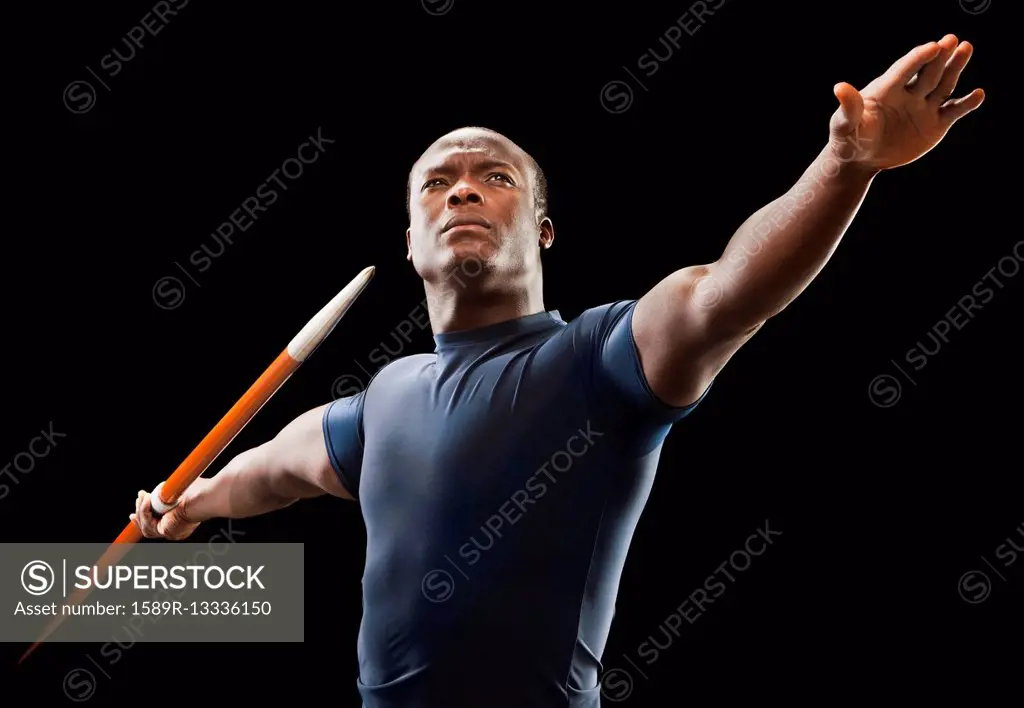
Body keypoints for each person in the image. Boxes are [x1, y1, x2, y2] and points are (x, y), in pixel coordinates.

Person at [132, 35, 983, 707]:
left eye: (493, 177)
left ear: (542, 230)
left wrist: (844, 168)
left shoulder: (600, 360)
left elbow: (727, 292)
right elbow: (273, 469)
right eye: (436, 183)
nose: (461, 191)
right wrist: (187, 507)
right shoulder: (383, 399)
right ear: (408, 243)